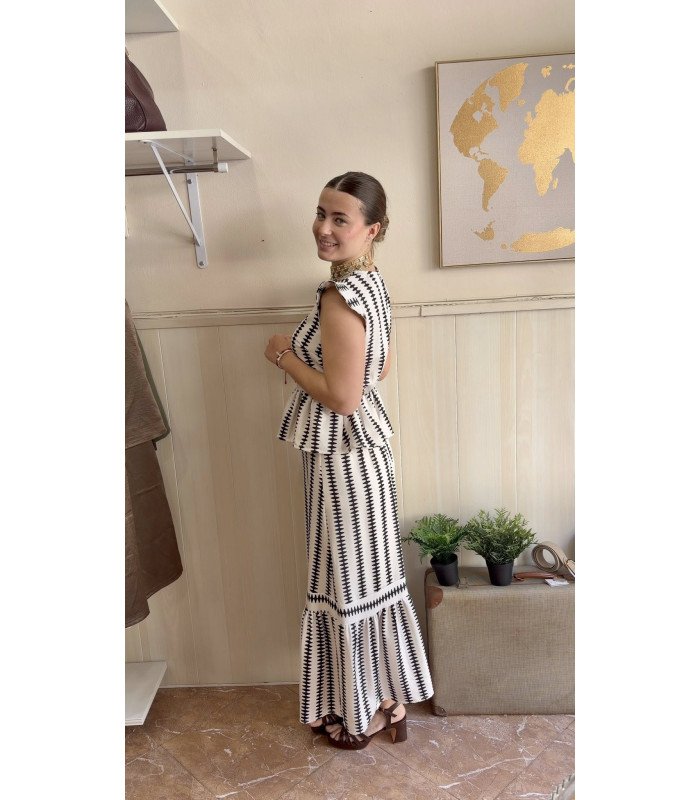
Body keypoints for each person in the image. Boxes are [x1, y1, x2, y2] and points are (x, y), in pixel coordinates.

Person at [264, 171, 433, 749]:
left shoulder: (339, 297)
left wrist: (284, 356)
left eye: (340, 219)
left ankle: (368, 714)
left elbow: (342, 397)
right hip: (365, 455)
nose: (324, 228)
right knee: (366, 579)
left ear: (372, 229)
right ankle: (384, 700)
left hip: (342, 459)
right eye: (321, 213)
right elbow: (378, 369)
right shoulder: (371, 284)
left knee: (348, 583)